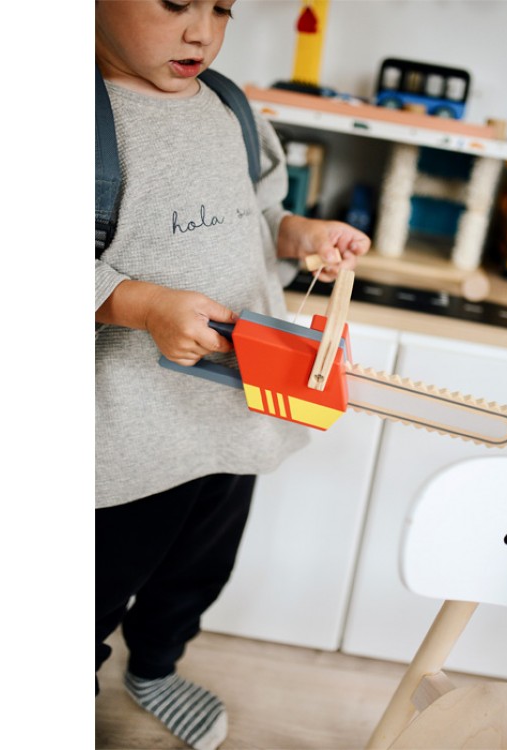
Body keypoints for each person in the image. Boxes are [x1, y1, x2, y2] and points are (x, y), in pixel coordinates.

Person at [94, 2, 370, 748]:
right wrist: (144, 304)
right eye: (175, 3)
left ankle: (156, 667)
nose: (202, 32)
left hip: (235, 416)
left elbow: (262, 216)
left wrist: (303, 235)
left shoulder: (230, 106)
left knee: (194, 572)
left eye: (221, 8)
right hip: (122, 437)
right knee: (89, 590)